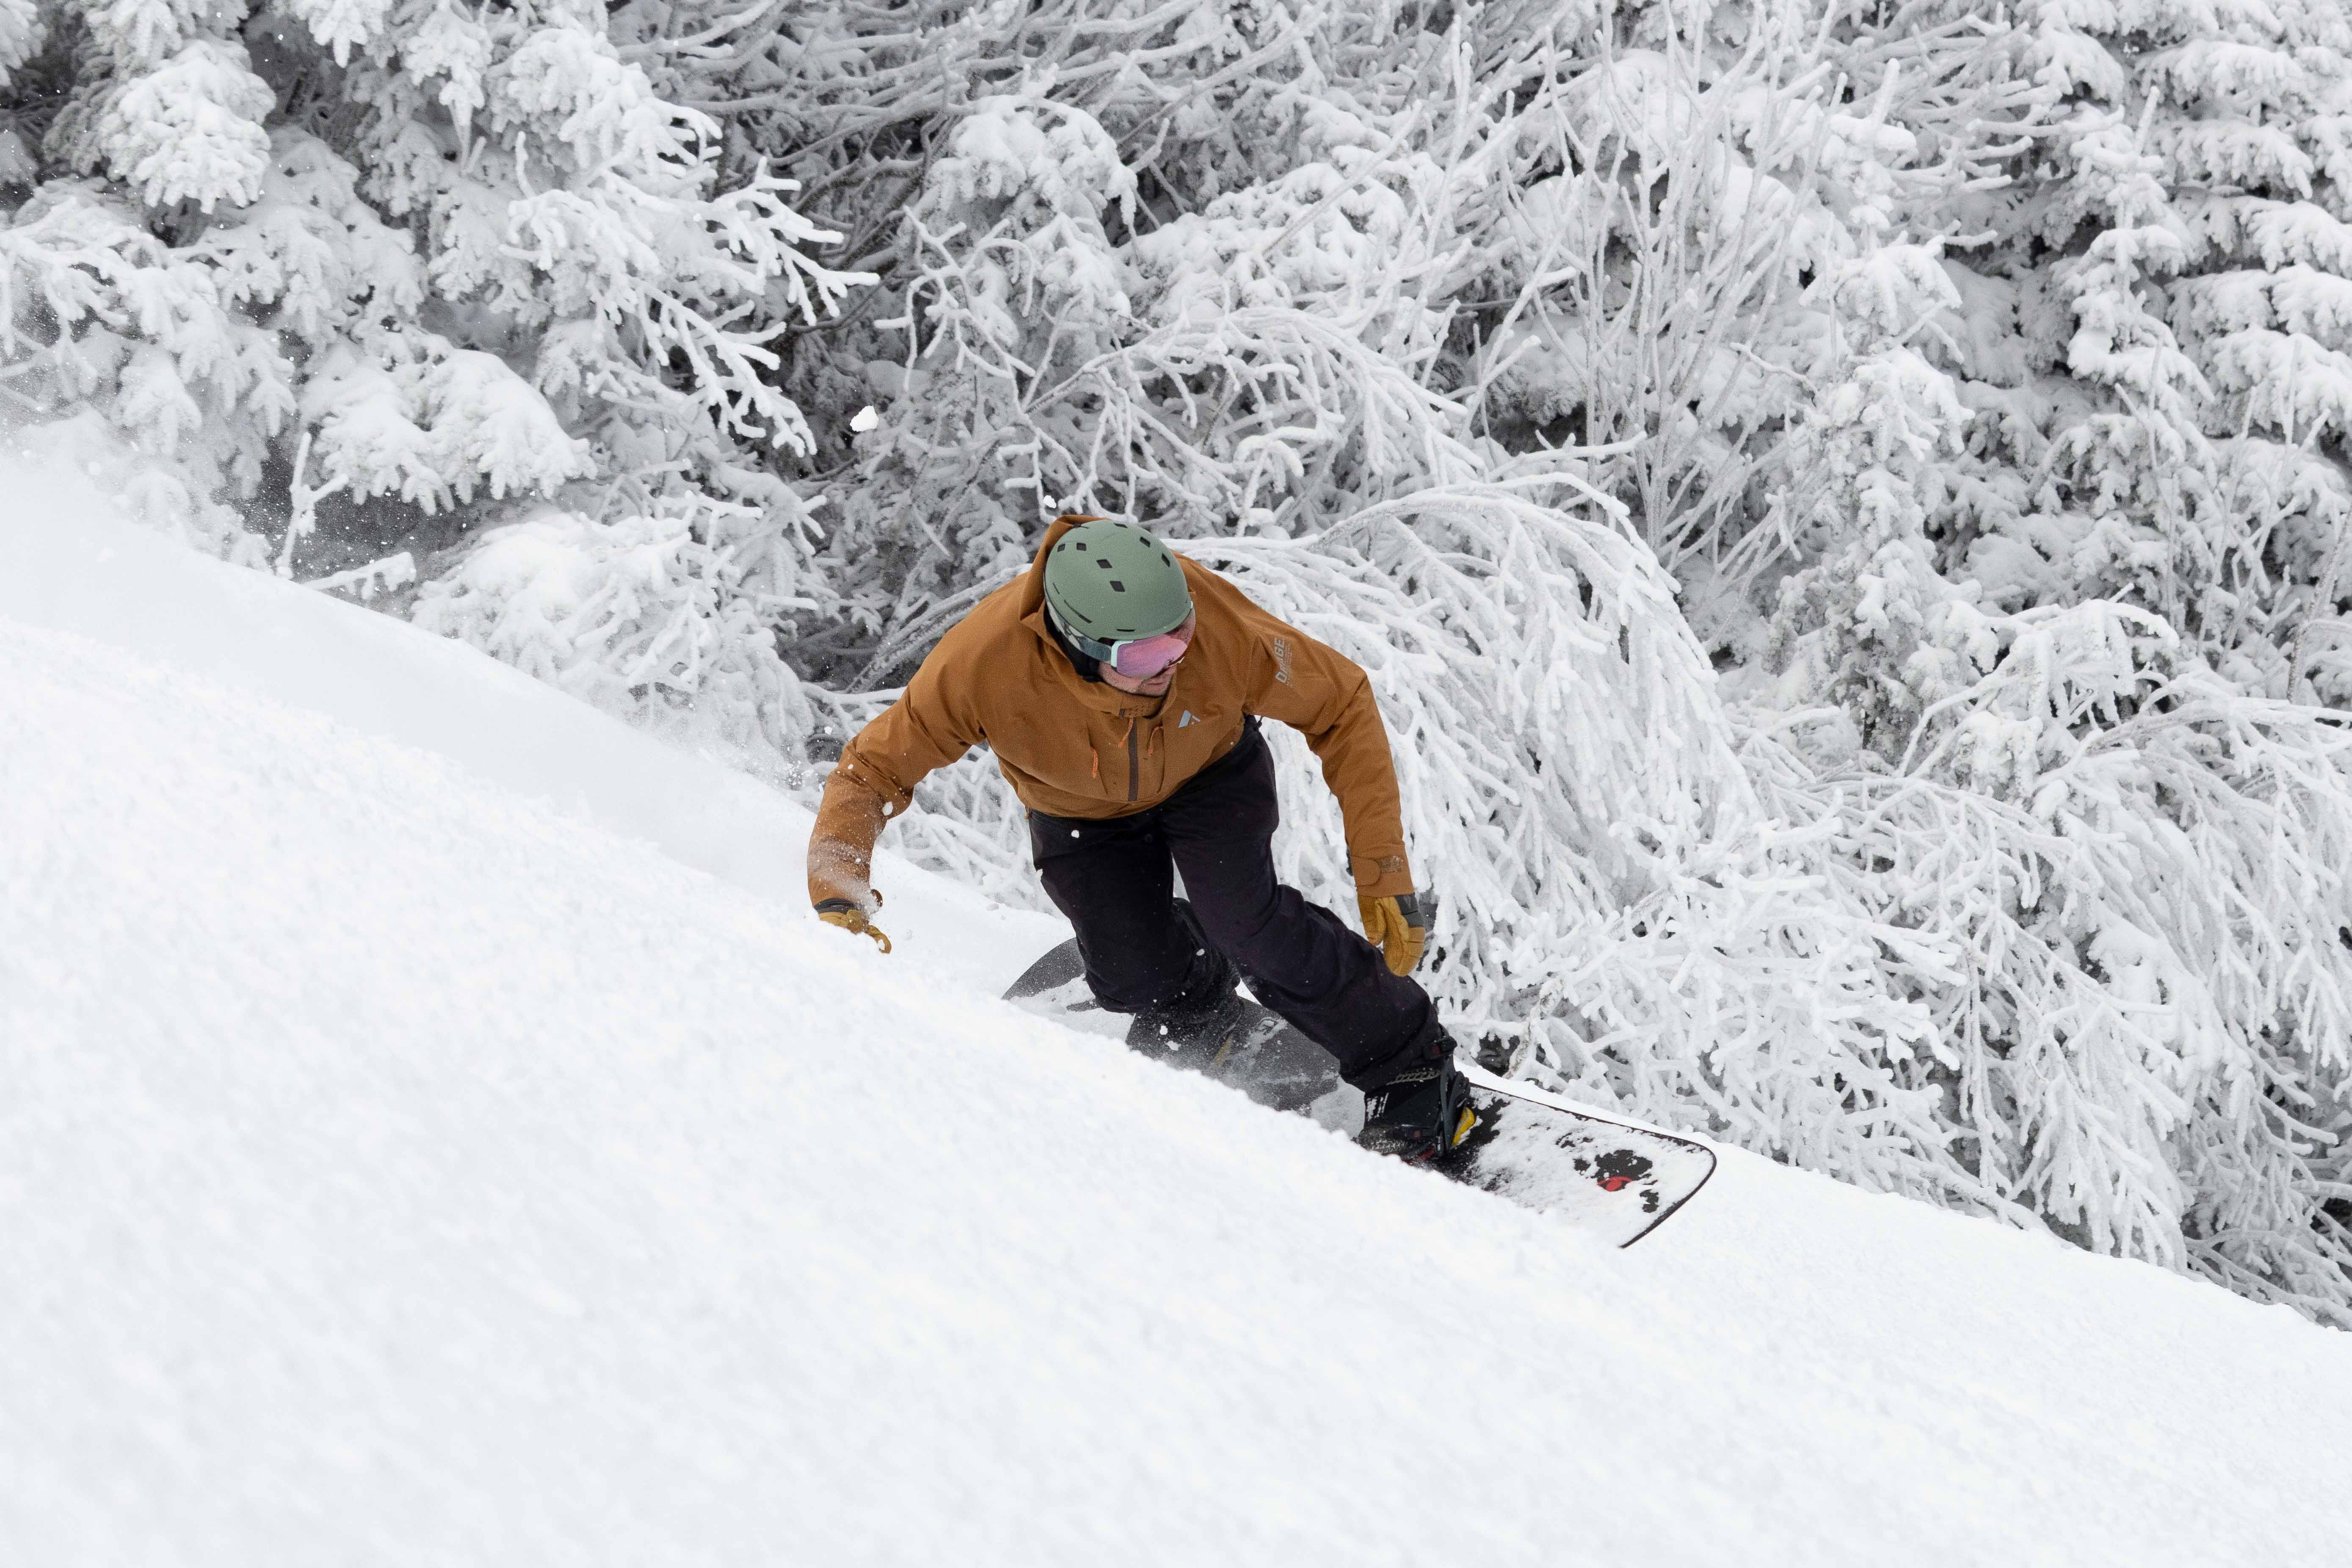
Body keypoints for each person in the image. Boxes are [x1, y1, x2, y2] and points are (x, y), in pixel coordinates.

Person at [806, 513, 1476, 1164]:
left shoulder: (1218, 633)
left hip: (1210, 774)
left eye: (1180, 635)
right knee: (1134, 976)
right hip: (1079, 813)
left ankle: (1412, 1065)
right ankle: (1194, 992)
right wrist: (839, 878)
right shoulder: (983, 665)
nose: (1175, 660)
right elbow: (874, 768)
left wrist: (1383, 865)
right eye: (1148, 653)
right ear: (1078, 644)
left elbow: (1342, 703)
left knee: (1248, 921)